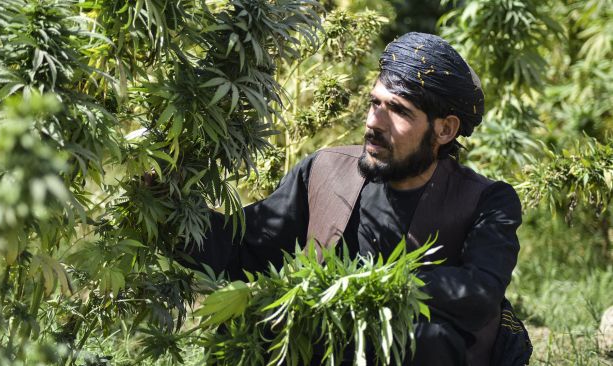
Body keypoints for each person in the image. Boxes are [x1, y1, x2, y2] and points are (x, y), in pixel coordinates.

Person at [191, 32, 530, 365]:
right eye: (374, 103)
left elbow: (480, 291)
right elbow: (245, 247)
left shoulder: (486, 200)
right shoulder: (324, 170)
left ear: (444, 130)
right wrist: (173, 213)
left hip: (424, 354)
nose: (372, 122)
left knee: (425, 338)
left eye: (397, 110)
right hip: (330, 352)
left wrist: (368, 281)